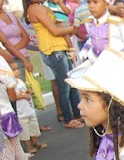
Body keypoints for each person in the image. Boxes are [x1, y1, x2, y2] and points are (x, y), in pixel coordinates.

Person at [24, 0, 84, 128]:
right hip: (52, 48)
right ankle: (68, 119)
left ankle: (78, 115)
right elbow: (55, 31)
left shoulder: (41, 7)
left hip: (59, 46)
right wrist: (73, 28)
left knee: (71, 83)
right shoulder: (36, 9)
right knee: (64, 86)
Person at [0, 48, 37, 160]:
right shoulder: (4, 74)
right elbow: (12, 97)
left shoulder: (1, 75)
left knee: (8, 151)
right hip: (8, 114)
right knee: (16, 147)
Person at [0, 0, 34, 82]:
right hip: (11, 60)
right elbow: (5, 42)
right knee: (20, 88)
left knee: (30, 87)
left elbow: (26, 37)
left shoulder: (10, 14)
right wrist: (23, 59)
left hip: (23, 54)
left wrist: (14, 50)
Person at [11, 61, 47, 154]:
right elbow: (12, 97)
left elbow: (23, 91)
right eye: (14, 70)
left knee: (33, 126)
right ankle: (28, 145)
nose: (17, 71)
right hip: (21, 112)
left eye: (17, 69)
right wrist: (23, 96)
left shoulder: (20, 81)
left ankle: (35, 142)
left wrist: (28, 91)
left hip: (29, 109)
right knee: (24, 129)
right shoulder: (11, 85)